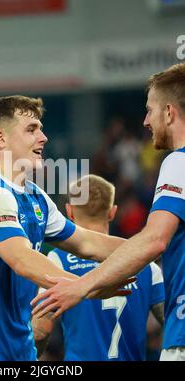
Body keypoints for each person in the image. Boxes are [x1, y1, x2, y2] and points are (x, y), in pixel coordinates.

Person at [0, 96, 132, 361]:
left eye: (40, 128)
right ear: (1, 139)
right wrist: (88, 286)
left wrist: (150, 247)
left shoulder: (36, 198)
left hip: (18, 353)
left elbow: (87, 243)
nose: (44, 137)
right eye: (32, 129)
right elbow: (22, 260)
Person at [32, 63, 185, 361]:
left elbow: (155, 240)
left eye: (150, 110)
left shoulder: (179, 162)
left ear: (169, 112)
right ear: (112, 211)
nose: (145, 121)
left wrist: (80, 287)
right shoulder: (147, 270)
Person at [31, 175, 165, 361]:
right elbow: (175, 321)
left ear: (69, 212)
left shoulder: (57, 260)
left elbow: (40, 330)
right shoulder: (145, 264)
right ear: (112, 212)